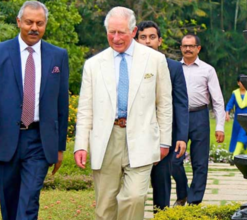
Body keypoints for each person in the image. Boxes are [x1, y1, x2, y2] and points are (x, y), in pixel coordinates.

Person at [73, 7, 173, 219]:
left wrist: (165, 141)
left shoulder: (154, 60)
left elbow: (164, 103)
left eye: (121, 32)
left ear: (134, 30)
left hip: (142, 137)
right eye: (111, 32)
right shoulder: (93, 65)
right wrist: (80, 144)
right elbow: (85, 108)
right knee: (105, 206)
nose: (116, 38)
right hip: (106, 139)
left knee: (134, 197)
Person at [0, 2, 69, 219]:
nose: (34, 27)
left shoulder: (58, 56)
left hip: (39, 141)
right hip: (5, 139)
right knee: (9, 206)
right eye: (29, 22)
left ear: (45, 25)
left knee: (27, 205)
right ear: (19, 22)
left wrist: (59, 146)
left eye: (39, 23)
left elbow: (62, 105)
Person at [135, 20, 189, 211]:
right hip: (135, 134)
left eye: (152, 37)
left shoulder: (173, 67)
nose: (147, 42)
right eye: (142, 37)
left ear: (160, 40)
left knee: (161, 183)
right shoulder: (129, 65)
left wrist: (182, 136)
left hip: (164, 135)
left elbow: (181, 103)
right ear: (136, 40)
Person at [172, 33, 225, 206]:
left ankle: (194, 201)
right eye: (184, 46)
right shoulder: (173, 68)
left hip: (199, 117)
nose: (187, 49)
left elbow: (217, 100)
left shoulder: (207, 70)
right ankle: (183, 192)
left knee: (200, 162)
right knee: (173, 160)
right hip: (178, 117)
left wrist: (220, 126)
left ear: (198, 48)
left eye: (191, 46)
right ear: (181, 48)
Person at [225, 75, 247, 158]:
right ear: (238, 83)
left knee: (242, 136)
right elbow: (230, 104)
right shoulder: (235, 93)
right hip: (238, 120)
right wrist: (227, 113)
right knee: (240, 137)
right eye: (241, 82)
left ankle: (234, 157)